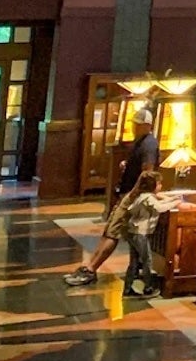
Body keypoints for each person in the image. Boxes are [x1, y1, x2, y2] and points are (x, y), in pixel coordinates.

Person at [65, 107, 159, 287]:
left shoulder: (149, 144)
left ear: (147, 125)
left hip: (131, 197)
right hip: (127, 194)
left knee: (113, 233)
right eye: (134, 124)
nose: (135, 127)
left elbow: (147, 173)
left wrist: (132, 195)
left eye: (138, 125)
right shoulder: (141, 142)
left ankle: (91, 269)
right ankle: (89, 266)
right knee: (109, 231)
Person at [122, 170, 179, 298]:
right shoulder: (147, 197)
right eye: (159, 183)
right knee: (146, 260)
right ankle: (148, 288)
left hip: (133, 232)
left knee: (134, 262)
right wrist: (176, 203)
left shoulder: (143, 196)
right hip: (140, 233)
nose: (161, 186)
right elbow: (159, 208)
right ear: (152, 185)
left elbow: (158, 204)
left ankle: (128, 289)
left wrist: (171, 199)